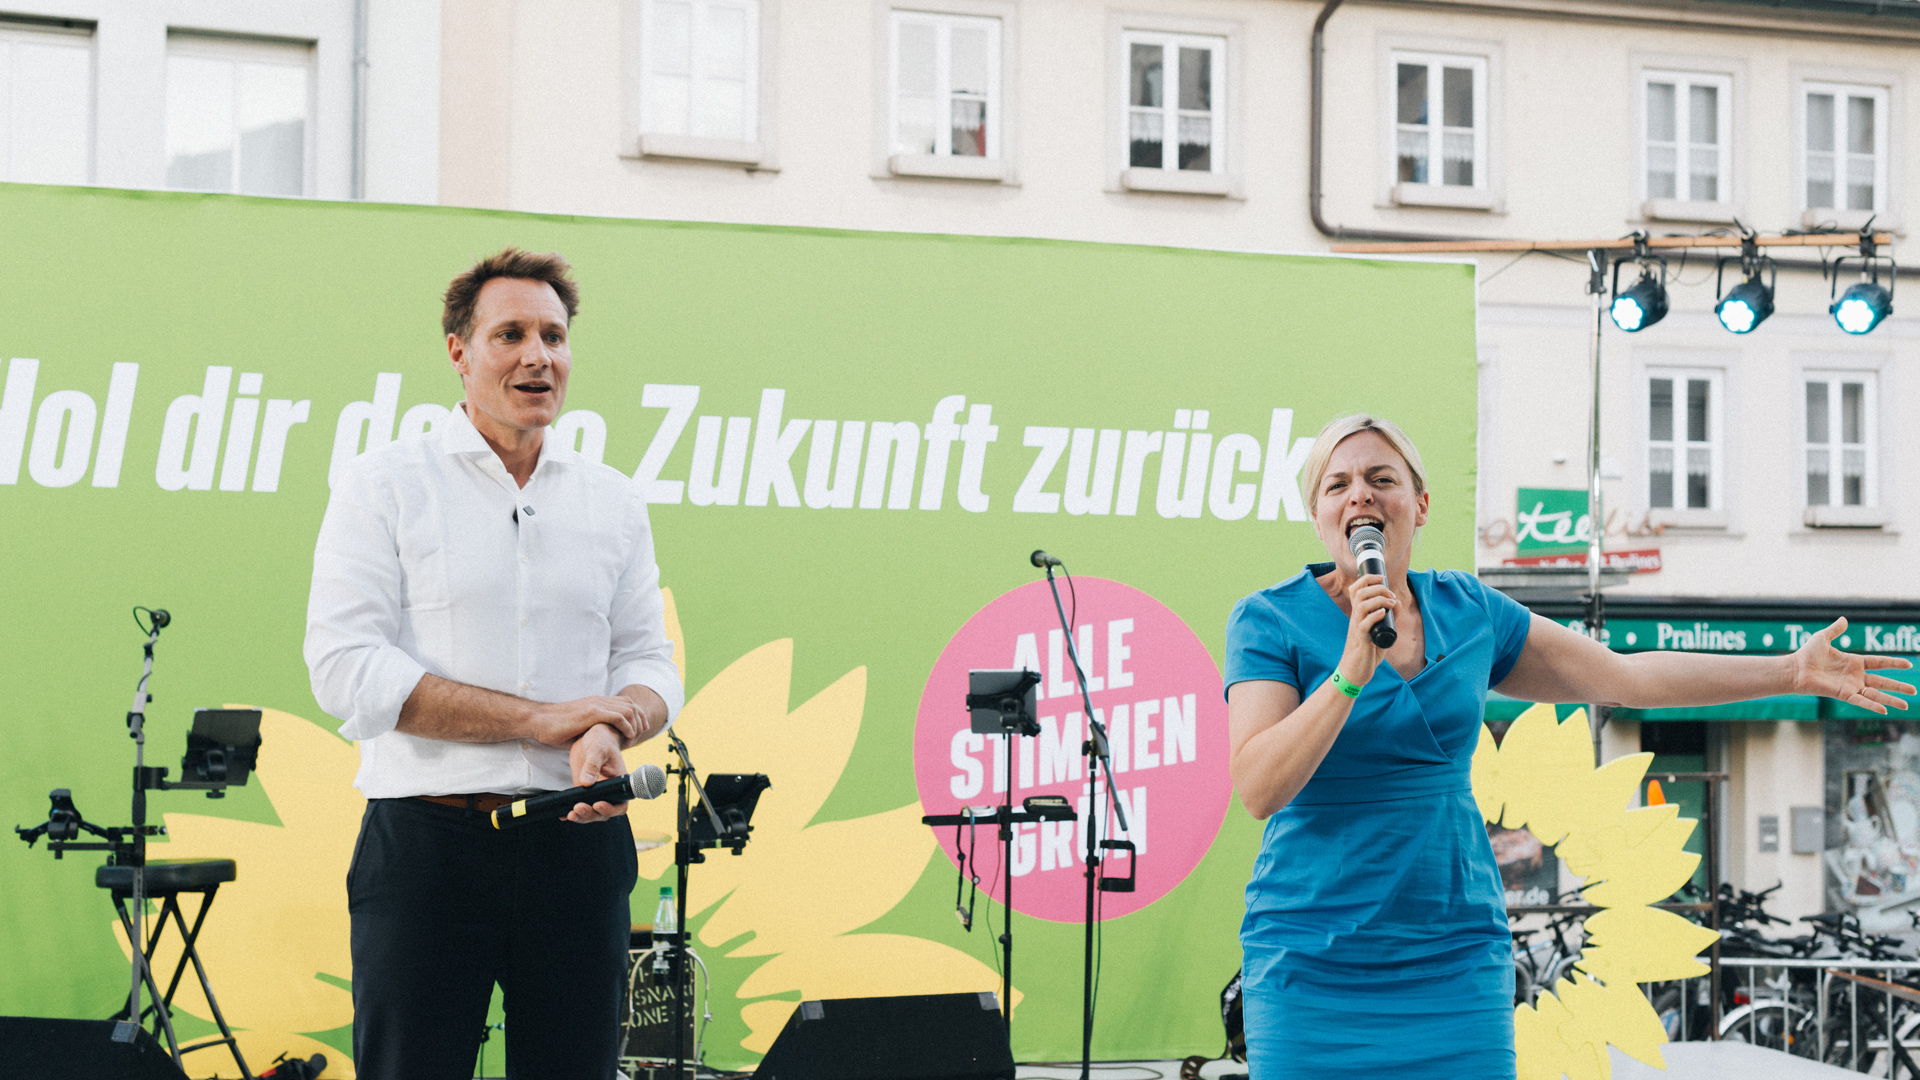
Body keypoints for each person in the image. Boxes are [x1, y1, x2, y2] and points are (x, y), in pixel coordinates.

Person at [1224, 413, 1913, 1079]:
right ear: (1318, 514)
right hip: (1313, 964)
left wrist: (1788, 669)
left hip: (1452, 961)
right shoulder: (1270, 619)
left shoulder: (1470, 611)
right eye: (1337, 485)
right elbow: (1259, 787)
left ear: (1420, 504)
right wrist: (1348, 673)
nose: (1361, 495)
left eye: (1381, 477)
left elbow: (1627, 674)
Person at [304, 248, 683, 1079]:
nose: (537, 356)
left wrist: (612, 728)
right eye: (510, 333)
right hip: (430, 847)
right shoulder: (386, 485)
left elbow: (650, 659)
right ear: (458, 351)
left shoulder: (612, 499)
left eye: (554, 335)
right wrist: (540, 720)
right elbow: (344, 666)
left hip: (577, 849)